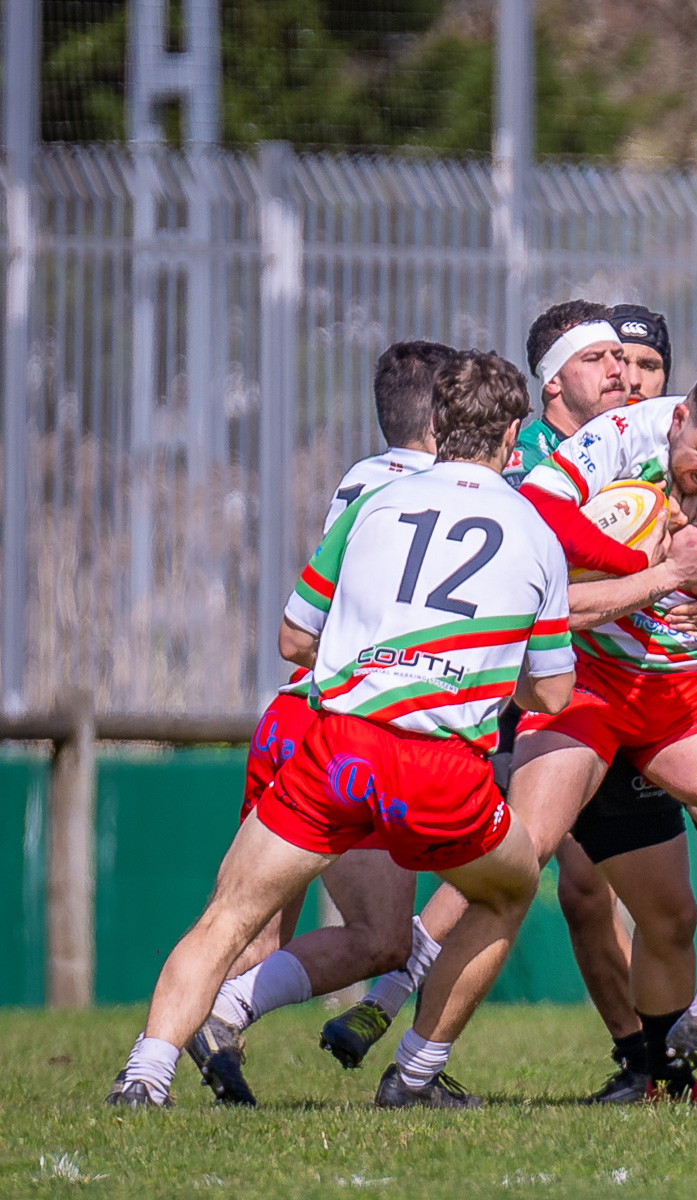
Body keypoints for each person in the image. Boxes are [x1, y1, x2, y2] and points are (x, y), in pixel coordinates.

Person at [328, 307, 697, 1102]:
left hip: (682, 691)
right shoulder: (618, 437)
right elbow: (542, 516)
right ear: (679, 417)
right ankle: (409, 1051)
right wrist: (647, 562)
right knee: (515, 865)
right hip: (583, 684)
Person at [108, 351, 575, 1109]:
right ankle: (417, 1075)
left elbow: (296, 637)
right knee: (509, 888)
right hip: (440, 769)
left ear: (437, 422)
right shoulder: (534, 531)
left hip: (338, 746)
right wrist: (481, 668)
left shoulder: (372, 502)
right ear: (515, 434)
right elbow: (553, 692)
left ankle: (144, 1076)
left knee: (227, 915)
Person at [185, 340, 461, 1107]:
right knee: (382, 937)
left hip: (288, 710)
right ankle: (409, 1062)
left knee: (253, 926)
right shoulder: (442, 494)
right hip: (349, 728)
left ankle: (155, 1060)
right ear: (447, 415)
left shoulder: (364, 479)